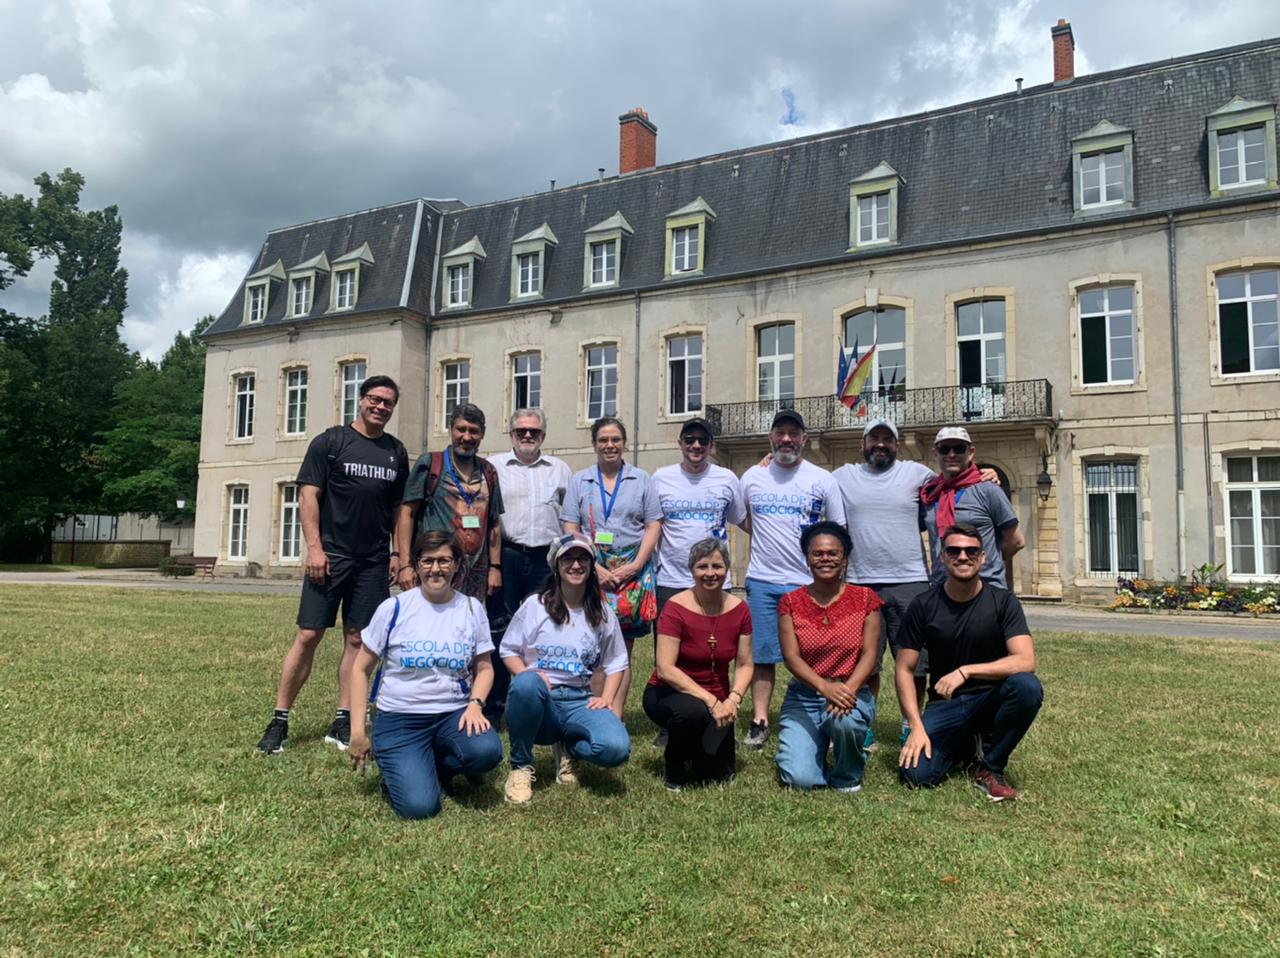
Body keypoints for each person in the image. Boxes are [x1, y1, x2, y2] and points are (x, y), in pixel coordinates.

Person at [256, 375, 409, 755]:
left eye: (388, 402)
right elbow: (308, 497)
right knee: (309, 635)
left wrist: (394, 554)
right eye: (375, 399)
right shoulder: (330, 442)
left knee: (358, 639)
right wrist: (314, 548)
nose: (380, 407)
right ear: (361, 400)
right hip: (330, 557)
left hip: (372, 561)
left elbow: (397, 510)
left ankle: (343, 718)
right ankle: (280, 719)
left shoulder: (395, 451)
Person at [833, 419, 1000, 744]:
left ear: (897, 445)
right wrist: (769, 460)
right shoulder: (843, 477)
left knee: (916, 661)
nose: (880, 444)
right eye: (874, 439)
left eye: (887, 439)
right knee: (865, 663)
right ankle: (865, 722)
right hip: (859, 583)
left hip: (911, 582)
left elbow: (955, 479)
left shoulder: (917, 475)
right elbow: (808, 480)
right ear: (862, 444)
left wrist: (985, 474)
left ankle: (912, 721)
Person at [347, 531, 504, 819]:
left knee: (487, 752)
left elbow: (484, 667)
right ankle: (401, 766)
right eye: (428, 561)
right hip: (400, 718)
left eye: (444, 560)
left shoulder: (471, 608)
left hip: (452, 714)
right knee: (420, 808)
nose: (435, 569)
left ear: (457, 564)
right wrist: (358, 732)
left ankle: (434, 764)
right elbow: (359, 670)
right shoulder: (394, 608)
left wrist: (475, 703)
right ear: (417, 565)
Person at [897, 523, 1044, 802]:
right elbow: (904, 669)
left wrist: (967, 671)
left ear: (983, 557)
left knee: (1026, 686)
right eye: (954, 550)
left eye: (971, 551)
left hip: (992, 698)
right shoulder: (923, 604)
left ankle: (990, 765)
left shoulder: (1003, 602)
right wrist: (915, 726)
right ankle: (965, 745)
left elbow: (1025, 660)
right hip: (945, 705)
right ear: (942, 557)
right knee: (916, 776)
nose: (963, 556)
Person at [738, 409, 846, 749]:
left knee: (818, 654)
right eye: (780, 432)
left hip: (808, 583)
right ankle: (760, 720)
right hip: (763, 580)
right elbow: (743, 519)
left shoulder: (822, 479)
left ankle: (823, 715)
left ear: (805, 439)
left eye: (793, 433)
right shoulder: (751, 478)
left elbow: (838, 530)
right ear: (770, 438)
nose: (786, 439)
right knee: (763, 655)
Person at [500, 532, 632, 804]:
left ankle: (570, 746)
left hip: (579, 700)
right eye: (568, 559)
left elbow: (617, 661)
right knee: (525, 683)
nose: (575, 565)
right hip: (541, 699)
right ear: (556, 566)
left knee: (616, 749)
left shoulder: (602, 612)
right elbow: (508, 650)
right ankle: (521, 767)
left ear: (591, 565)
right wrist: (527, 674)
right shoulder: (535, 606)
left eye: (582, 558)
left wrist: (607, 698)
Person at [561, 416, 662, 718]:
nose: (610, 445)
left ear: (624, 443)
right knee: (593, 646)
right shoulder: (580, 481)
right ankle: (593, 711)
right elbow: (570, 524)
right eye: (603, 440)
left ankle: (615, 714)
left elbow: (653, 523)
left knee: (622, 650)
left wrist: (637, 565)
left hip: (631, 571)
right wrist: (592, 568)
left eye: (615, 439)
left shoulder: (641, 479)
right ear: (594, 444)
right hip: (592, 569)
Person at [775, 522, 882, 792]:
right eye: (818, 554)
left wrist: (846, 691)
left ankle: (848, 774)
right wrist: (824, 687)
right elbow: (791, 657)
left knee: (844, 722)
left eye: (833, 553)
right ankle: (811, 752)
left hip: (851, 690)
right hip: (806, 695)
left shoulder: (866, 598)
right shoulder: (790, 601)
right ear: (807, 558)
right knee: (801, 779)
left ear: (845, 558)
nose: (825, 559)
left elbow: (870, 653)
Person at [643, 538, 753, 790]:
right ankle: (674, 769)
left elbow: (746, 664)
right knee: (692, 712)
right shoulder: (675, 607)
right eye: (702, 567)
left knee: (716, 775)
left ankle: (695, 751)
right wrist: (711, 701)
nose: (710, 573)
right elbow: (665, 669)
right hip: (669, 693)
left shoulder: (740, 610)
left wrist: (733, 700)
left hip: (720, 701)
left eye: (717, 566)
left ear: (727, 570)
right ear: (691, 570)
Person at [490, 407, 572, 724]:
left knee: (544, 630)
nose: (527, 436)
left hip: (546, 560)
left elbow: (569, 517)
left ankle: (541, 704)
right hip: (507, 556)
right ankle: (496, 707)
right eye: (521, 431)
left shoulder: (560, 469)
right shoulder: (494, 467)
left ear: (543, 436)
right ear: (511, 433)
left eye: (534, 432)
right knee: (501, 629)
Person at [396, 403, 504, 601]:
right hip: (434, 570)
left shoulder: (489, 471)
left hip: (475, 576)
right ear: (451, 429)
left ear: (483, 434)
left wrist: (495, 568)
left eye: (474, 431)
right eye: (461, 429)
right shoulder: (430, 464)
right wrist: (405, 565)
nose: (467, 437)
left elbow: (494, 523)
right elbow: (406, 513)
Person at [651, 418, 747, 612]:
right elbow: (650, 526)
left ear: (711, 446)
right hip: (671, 580)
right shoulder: (660, 478)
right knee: (668, 642)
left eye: (703, 440)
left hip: (715, 578)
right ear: (680, 444)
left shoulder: (727, 478)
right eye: (689, 439)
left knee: (715, 641)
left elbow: (743, 521)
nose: (696, 445)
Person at [921, 426, 1024, 590]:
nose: (951, 454)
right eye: (945, 449)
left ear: (971, 452)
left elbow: (1016, 541)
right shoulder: (930, 494)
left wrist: (984, 562)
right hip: (942, 589)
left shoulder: (988, 490)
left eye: (959, 449)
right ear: (935, 453)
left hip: (986, 588)